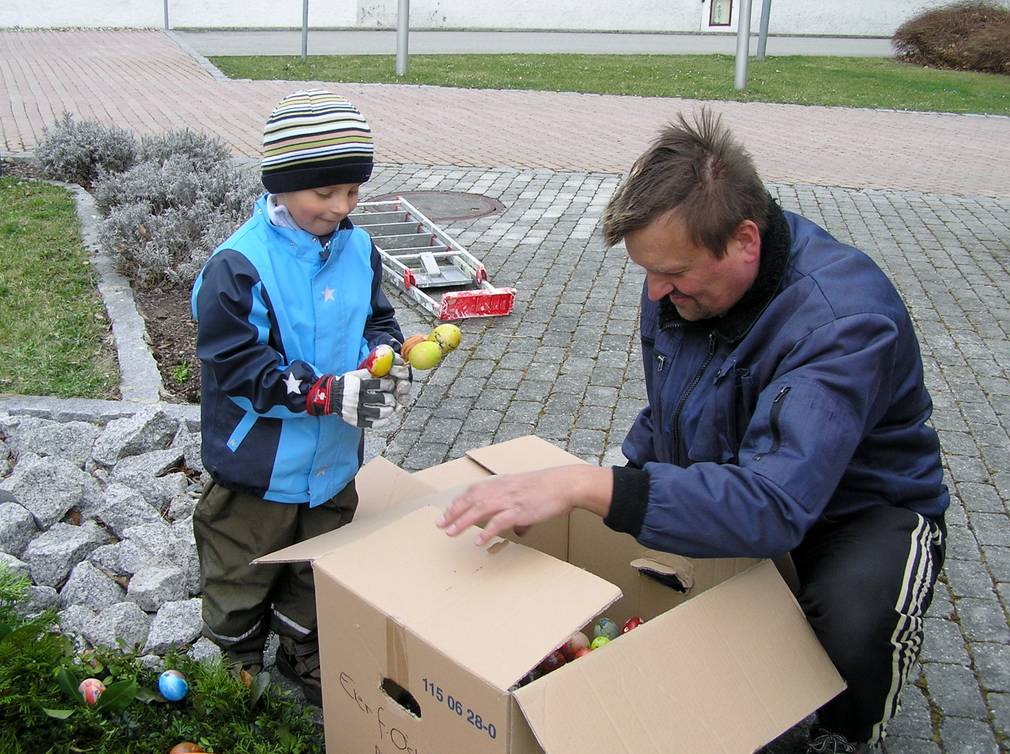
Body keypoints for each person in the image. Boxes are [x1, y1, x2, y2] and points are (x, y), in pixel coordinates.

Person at [437, 109, 948, 754]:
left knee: (853, 630)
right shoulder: (685, 288)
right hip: (742, 483)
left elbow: (775, 501)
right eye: (646, 272)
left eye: (672, 275)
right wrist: (602, 502)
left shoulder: (840, 322)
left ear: (744, 241)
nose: (653, 295)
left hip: (859, 510)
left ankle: (848, 733)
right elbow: (670, 412)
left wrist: (591, 488)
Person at [191, 89, 411, 706]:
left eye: (353, 192)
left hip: (334, 461)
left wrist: (380, 359)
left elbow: (378, 322)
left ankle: (299, 650)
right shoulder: (238, 267)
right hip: (258, 469)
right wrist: (324, 393)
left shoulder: (357, 247)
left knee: (316, 565)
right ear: (282, 185)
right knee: (240, 565)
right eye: (325, 193)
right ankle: (233, 654)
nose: (342, 208)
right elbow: (242, 370)